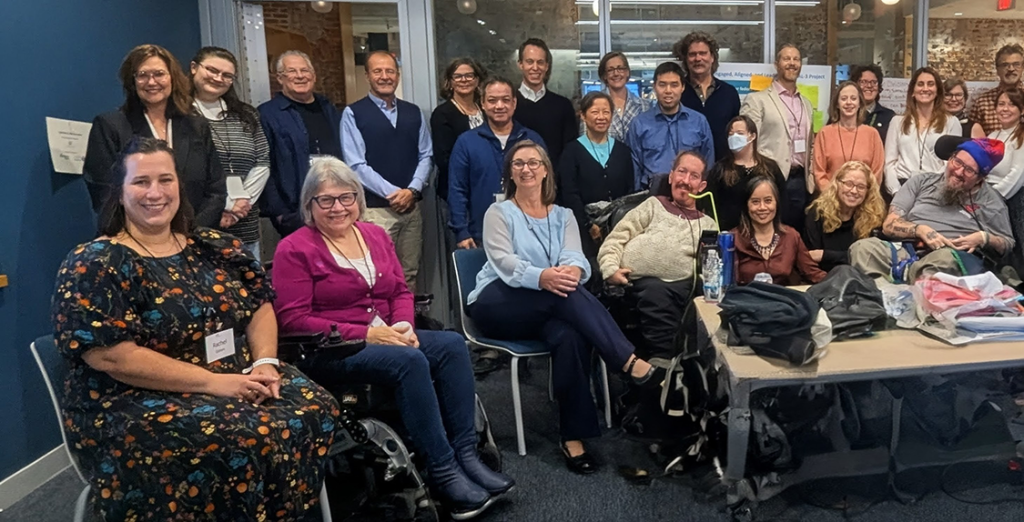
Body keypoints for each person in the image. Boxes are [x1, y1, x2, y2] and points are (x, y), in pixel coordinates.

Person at [53, 137, 339, 521]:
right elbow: (112, 357)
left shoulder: (214, 246)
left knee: (315, 406)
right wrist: (214, 383)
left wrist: (265, 362)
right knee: (242, 438)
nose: (155, 193)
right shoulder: (95, 263)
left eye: (165, 180)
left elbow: (259, 305)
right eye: (141, 182)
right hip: (133, 399)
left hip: (232, 374)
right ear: (119, 193)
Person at [271, 158, 512, 519]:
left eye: (346, 197)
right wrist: (369, 334)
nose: (338, 207)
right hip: (331, 349)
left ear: (358, 199)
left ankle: (467, 455)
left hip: (388, 334)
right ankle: (443, 470)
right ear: (309, 204)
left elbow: (400, 291)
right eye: (326, 200)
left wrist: (403, 326)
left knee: (450, 345)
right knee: (409, 361)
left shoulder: (374, 235)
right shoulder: (294, 248)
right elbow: (293, 320)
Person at [468, 141, 655, 475]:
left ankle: (573, 436)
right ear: (510, 172)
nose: (526, 169)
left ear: (545, 171)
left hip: (549, 305)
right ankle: (627, 360)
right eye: (518, 163)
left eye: (533, 162)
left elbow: (576, 258)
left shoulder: (563, 216)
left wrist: (570, 272)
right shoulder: (499, 213)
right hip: (497, 303)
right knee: (562, 295)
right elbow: (503, 262)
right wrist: (542, 277)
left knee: (569, 335)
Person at [84, 44, 226, 229]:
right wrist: (152, 236)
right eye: (142, 75)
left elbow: (216, 191)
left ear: (172, 77)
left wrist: (188, 233)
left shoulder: (197, 126)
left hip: (193, 236)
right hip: (133, 237)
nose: (151, 82)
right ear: (132, 81)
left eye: (159, 74)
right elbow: (104, 194)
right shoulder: (110, 126)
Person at [598, 151, 717, 359]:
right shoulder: (653, 205)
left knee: (657, 291)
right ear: (671, 176)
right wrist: (610, 270)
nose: (685, 180)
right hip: (632, 283)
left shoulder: (708, 225)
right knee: (653, 291)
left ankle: (662, 363)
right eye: (681, 172)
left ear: (702, 186)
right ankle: (664, 365)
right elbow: (615, 240)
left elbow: (710, 270)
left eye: (694, 176)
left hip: (677, 287)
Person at [850, 137, 1013, 283]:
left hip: (950, 257)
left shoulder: (992, 202)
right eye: (957, 162)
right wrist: (919, 230)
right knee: (863, 249)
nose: (959, 172)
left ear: (980, 179)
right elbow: (889, 225)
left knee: (942, 261)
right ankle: (880, 297)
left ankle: (911, 294)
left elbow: (1007, 243)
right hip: (905, 250)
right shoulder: (921, 182)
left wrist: (985, 238)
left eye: (969, 170)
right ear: (950, 158)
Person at [341, 51, 431, 292]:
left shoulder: (413, 113)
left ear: (398, 75)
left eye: (390, 71)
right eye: (377, 71)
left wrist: (412, 191)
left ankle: (407, 317)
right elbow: (356, 165)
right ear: (367, 76)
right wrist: (394, 194)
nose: (384, 76)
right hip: (376, 212)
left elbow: (426, 154)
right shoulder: (353, 113)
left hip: (411, 209)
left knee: (409, 275)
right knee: (378, 275)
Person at [190, 46, 270, 260]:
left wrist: (241, 205)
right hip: (199, 223)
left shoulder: (246, 114)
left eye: (227, 75)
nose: (218, 78)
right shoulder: (180, 114)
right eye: (212, 70)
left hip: (244, 222)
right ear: (194, 68)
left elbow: (263, 162)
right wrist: (224, 206)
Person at [448, 77, 546, 248]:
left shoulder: (531, 140)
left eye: (505, 100)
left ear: (514, 103)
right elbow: (457, 190)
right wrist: (461, 231)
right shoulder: (467, 142)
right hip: (481, 235)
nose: (499, 106)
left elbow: (546, 185)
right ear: (483, 104)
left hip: (529, 233)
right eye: (492, 100)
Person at [258, 50, 343, 237]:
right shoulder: (267, 114)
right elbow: (263, 164)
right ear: (280, 78)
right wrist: (280, 213)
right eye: (291, 71)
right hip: (294, 210)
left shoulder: (328, 108)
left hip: (334, 203)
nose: (299, 76)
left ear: (313, 76)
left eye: (305, 70)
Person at [740, 44, 815, 232]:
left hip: (800, 181)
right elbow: (746, 143)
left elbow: (811, 144)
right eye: (786, 59)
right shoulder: (757, 100)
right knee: (768, 232)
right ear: (776, 64)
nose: (792, 63)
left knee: (795, 234)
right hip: (768, 178)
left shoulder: (806, 104)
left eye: (796, 59)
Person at [558, 92, 635, 260]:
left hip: (619, 229)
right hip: (581, 230)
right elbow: (570, 193)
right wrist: (588, 225)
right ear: (583, 116)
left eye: (606, 112)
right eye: (595, 112)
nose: (601, 117)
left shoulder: (622, 151)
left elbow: (629, 190)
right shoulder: (571, 151)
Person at [627, 61, 714, 190]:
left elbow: (708, 163)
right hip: (651, 193)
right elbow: (634, 169)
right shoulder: (639, 124)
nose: (668, 91)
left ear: (682, 87)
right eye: (662, 85)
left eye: (674, 85)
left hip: (689, 192)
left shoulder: (699, 121)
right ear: (654, 87)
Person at [732, 176, 826, 285]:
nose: (762, 207)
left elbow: (812, 273)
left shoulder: (791, 236)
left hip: (782, 295)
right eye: (755, 202)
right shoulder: (733, 239)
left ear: (776, 203)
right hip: (745, 295)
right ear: (746, 205)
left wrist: (839, 281)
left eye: (768, 201)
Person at [883, 67, 961, 197]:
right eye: (920, 84)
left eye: (930, 84)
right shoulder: (897, 122)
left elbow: (952, 162)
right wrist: (896, 191)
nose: (925, 88)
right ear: (912, 91)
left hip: (936, 189)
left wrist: (936, 188)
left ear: (937, 91)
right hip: (903, 186)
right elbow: (889, 163)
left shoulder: (952, 122)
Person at [706, 116, 787, 231]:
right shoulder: (720, 169)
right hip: (729, 233)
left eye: (740, 133)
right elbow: (709, 204)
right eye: (731, 134)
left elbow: (783, 202)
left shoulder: (770, 168)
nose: (734, 137)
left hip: (766, 232)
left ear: (752, 136)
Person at [804, 161, 886, 272]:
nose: (854, 191)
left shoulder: (874, 217)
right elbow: (810, 257)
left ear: (868, 191)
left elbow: (870, 259)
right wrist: (848, 257)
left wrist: (825, 255)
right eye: (848, 184)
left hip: (861, 277)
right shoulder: (817, 213)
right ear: (837, 184)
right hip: (823, 277)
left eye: (861, 187)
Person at [676, 32, 741, 162]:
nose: (698, 58)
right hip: (687, 168)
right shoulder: (678, 93)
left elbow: (736, 133)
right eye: (692, 54)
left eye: (703, 53)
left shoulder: (729, 93)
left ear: (712, 57)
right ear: (686, 60)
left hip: (723, 167)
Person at [513, 38, 577, 167]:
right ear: (520, 64)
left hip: (553, 178)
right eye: (529, 62)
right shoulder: (508, 105)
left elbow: (570, 153)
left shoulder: (563, 106)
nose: (535, 67)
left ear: (547, 66)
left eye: (540, 62)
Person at [812, 81, 885, 192]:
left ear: (860, 103)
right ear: (837, 104)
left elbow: (877, 172)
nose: (849, 102)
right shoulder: (824, 133)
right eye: (844, 99)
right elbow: (819, 172)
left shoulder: (872, 134)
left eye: (853, 98)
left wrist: (863, 194)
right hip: (831, 197)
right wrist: (833, 195)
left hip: (863, 197)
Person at [431, 57, 487, 202]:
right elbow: (444, 159)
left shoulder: (485, 109)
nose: (464, 80)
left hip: (485, 187)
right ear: (450, 82)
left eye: (469, 75)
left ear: (477, 80)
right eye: (457, 76)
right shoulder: (442, 114)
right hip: (457, 192)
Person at [594, 51, 650, 141]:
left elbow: (649, 140)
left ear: (627, 72)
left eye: (620, 68)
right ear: (604, 75)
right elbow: (586, 141)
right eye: (610, 70)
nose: (616, 73)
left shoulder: (644, 106)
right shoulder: (593, 105)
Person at [970, 44, 1024, 135]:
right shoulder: (982, 103)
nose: (1011, 69)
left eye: (1016, 64)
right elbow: (973, 138)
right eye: (1005, 65)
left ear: (1022, 67)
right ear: (997, 69)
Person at [985, 88, 1024, 199]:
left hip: (1009, 197)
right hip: (986, 192)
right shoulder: (992, 136)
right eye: (1001, 104)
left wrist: (992, 198)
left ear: (1022, 110)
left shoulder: (1021, 137)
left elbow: (1017, 176)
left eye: (1012, 105)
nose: (1005, 109)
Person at [851, 64, 896, 144]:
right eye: (863, 82)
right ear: (855, 85)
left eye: (874, 82)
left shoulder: (889, 117)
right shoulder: (844, 113)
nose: (869, 86)